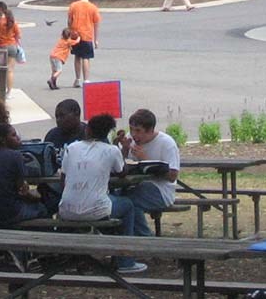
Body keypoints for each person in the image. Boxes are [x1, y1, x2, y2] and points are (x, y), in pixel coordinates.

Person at [59, 113, 146, 274]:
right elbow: (122, 172)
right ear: (107, 132)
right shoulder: (111, 150)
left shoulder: (71, 148)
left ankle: (75, 259)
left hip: (67, 208)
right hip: (96, 209)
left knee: (107, 205)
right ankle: (125, 261)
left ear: (88, 130)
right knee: (127, 205)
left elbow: (63, 179)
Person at [117, 108, 181, 237]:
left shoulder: (166, 143)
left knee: (129, 203)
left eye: (138, 131)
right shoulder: (130, 140)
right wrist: (123, 149)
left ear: (150, 130)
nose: (134, 135)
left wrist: (146, 160)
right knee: (116, 199)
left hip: (160, 190)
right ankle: (125, 238)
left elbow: (173, 176)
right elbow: (119, 165)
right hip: (134, 185)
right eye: (131, 129)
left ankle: (146, 240)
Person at [0, 122, 49, 226]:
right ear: (2, 139)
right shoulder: (15, 156)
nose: (18, 138)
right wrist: (38, 198)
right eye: (13, 135)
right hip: (9, 213)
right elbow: (22, 192)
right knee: (42, 208)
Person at [66, 0, 101, 87]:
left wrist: (70, 31)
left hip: (75, 35)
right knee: (86, 57)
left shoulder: (73, 6)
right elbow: (96, 23)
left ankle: (77, 79)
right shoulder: (93, 7)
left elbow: (69, 20)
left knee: (77, 56)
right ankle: (86, 80)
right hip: (87, 35)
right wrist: (96, 40)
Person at [0, 1, 24, 95]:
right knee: (10, 70)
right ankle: (9, 91)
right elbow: (19, 35)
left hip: (2, 47)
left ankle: (0, 89)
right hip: (12, 46)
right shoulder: (12, 21)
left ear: (0, 9)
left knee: (1, 70)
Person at [47, 27, 81, 91]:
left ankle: (53, 84)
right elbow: (76, 41)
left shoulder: (61, 40)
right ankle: (51, 80)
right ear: (69, 36)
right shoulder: (68, 41)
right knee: (59, 71)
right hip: (58, 57)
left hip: (52, 56)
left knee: (54, 71)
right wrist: (79, 37)